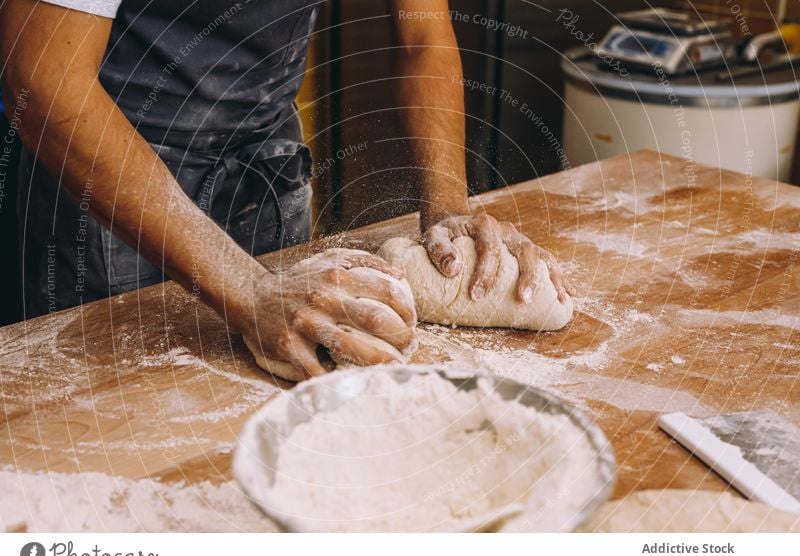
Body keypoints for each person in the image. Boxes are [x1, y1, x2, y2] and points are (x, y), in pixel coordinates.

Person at [0, 0, 574, 377]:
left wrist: (448, 210)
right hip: (105, 185)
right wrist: (250, 291)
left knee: (292, 401)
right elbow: (44, 79)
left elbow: (421, 32)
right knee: (119, 425)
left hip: (264, 167)